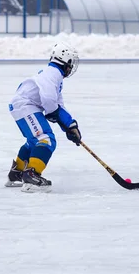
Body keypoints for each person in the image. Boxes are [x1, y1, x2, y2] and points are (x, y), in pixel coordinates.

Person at [5, 43, 82, 192]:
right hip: (26, 106)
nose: (71, 67)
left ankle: (17, 173)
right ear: (66, 62)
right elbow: (48, 100)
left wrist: (71, 126)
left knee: (34, 142)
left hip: (23, 106)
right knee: (45, 139)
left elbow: (58, 105)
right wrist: (53, 112)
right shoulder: (52, 73)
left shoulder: (54, 76)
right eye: (71, 63)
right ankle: (32, 175)